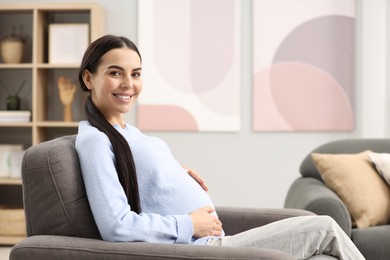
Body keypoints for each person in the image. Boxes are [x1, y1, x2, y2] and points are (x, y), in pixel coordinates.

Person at [75, 35, 365, 260]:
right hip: (204, 248)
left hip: (211, 241)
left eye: (136, 74)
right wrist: (188, 224)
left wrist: (175, 175)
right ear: (89, 78)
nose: (128, 84)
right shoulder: (95, 140)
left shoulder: (125, 132)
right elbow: (116, 225)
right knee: (325, 227)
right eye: (116, 73)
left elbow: (138, 182)